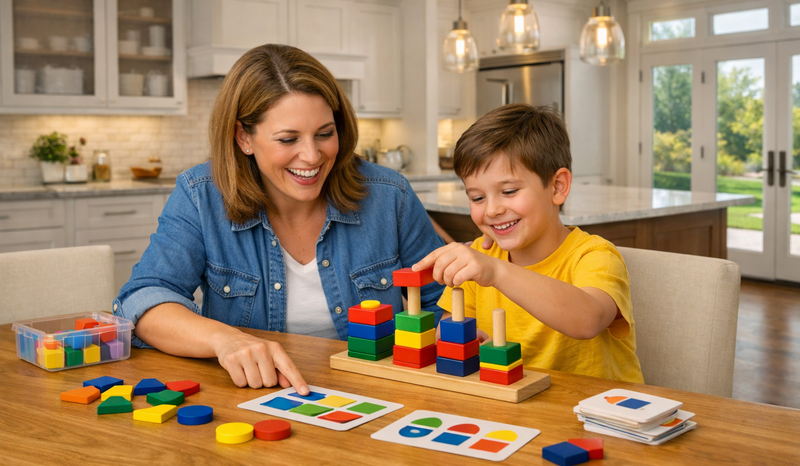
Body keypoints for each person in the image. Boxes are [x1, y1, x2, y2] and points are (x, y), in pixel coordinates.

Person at [114, 44, 445, 393]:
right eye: (288, 138)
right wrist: (225, 340)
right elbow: (143, 299)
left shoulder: (388, 195)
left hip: (375, 395)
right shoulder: (201, 195)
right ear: (244, 137)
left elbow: (445, 301)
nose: (312, 155)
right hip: (254, 398)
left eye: (325, 133)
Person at [414, 104, 643, 383]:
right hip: (511, 412)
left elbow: (589, 320)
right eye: (477, 198)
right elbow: (451, 329)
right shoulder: (478, 260)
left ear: (557, 186)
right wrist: (461, 342)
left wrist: (496, 271)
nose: (492, 210)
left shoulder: (594, 255)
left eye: (508, 191)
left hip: (598, 413)